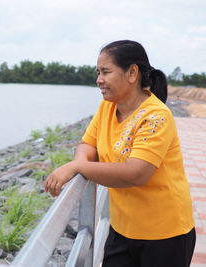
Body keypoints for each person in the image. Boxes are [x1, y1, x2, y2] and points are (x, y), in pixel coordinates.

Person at [44, 40, 196, 267]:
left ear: (132, 73)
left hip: (165, 234)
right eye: (98, 72)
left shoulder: (156, 116)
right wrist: (80, 159)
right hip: (122, 228)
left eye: (106, 72)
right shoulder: (108, 106)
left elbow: (136, 173)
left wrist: (77, 167)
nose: (99, 80)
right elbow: (87, 143)